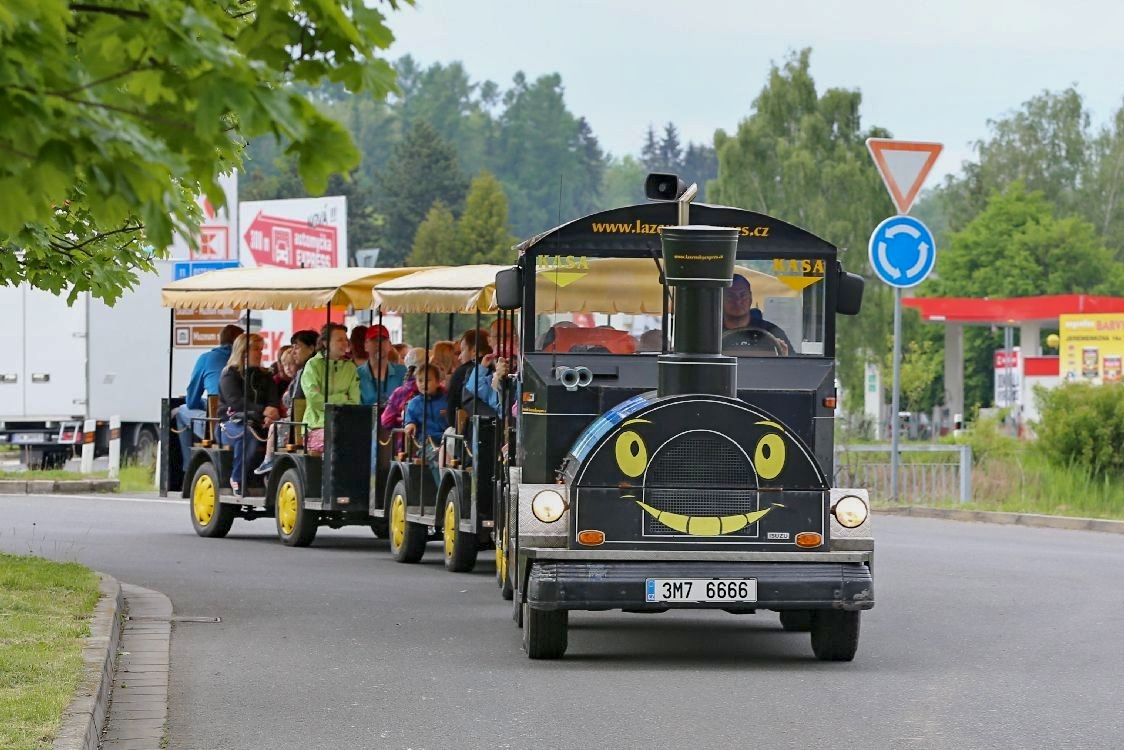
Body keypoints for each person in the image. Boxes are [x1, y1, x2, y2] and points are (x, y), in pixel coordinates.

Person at [217, 333, 280, 496]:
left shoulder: (265, 375)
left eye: (261, 349)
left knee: (283, 432)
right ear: (243, 352)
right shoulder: (229, 374)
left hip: (260, 422)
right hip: (231, 423)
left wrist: (270, 414)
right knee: (247, 433)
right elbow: (236, 402)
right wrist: (262, 411)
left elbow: (273, 400)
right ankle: (237, 477)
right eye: (255, 349)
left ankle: (272, 479)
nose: (260, 353)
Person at [174, 323, 243, 468]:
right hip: (242, 415)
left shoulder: (206, 359)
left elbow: (192, 401)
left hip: (218, 422)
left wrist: (207, 403)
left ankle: (187, 467)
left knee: (180, 411)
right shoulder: (245, 361)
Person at [300, 323, 360, 453]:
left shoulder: (350, 368)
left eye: (345, 339)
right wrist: (342, 397)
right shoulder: (313, 365)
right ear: (326, 343)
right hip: (316, 426)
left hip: (344, 426)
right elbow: (315, 399)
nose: (345, 343)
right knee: (337, 441)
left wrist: (329, 401)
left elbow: (355, 401)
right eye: (339, 340)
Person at [722, 274, 792, 355]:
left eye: (743, 295)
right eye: (731, 296)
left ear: (750, 298)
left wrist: (784, 356)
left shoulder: (772, 331)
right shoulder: (711, 333)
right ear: (721, 299)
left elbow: (794, 366)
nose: (738, 301)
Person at [402, 364, 449, 479]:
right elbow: (409, 419)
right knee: (437, 456)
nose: (423, 384)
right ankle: (442, 491)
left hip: (446, 441)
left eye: (427, 380)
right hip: (424, 443)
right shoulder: (414, 403)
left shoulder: (446, 401)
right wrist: (410, 424)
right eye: (420, 380)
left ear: (438, 382)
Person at [447, 329, 491, 422]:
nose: (459, 357)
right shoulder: (498, 368)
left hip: (472, 429)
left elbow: (451, 416)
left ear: (475, 350)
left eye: (462, 350)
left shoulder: (462, 372)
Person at [357, 324, 406, 406]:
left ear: (390, 345)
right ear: (366, 345)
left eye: (383, 340)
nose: (378, 344)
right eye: (374, 340)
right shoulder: (357, 374)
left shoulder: (403, 372)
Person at [380, 348, 427, 430]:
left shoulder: (400, 392)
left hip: (404, 438)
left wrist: (402, 420)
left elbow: (386, 421)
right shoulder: (437, 390)